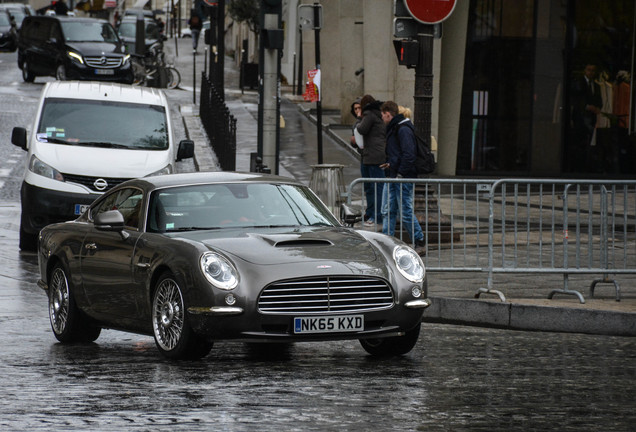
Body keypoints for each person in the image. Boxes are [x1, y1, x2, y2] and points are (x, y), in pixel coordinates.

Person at [379, 100, 425, 249]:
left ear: (387, 114)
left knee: (403, 211)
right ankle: (388, 240)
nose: (382, 118)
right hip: (396, 174)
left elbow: (409, 154)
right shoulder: (397, 128)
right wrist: (392, 164)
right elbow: (402, 154)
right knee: (389, 210)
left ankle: (418, 239)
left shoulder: (402, 129)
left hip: (401, 176)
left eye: (382, 115)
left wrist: (400, 172)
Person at [354, 94, 386, 226]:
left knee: (373, 188)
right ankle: (373, 213)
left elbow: (361, 129)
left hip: (372, 156)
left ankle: (376, 216)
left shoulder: (369, 114)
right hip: (375, 155)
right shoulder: (378, 114)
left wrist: (359, 118)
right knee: (375, 187)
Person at [570, 63, 602, 171]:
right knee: (580, 143)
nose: (591, 72)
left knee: (590, 143)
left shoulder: (596, 86)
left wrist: (597, 108)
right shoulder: (579, 83)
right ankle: (579, 166)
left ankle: (587, 166)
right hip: (581, 118)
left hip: (591, 118)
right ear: (585, 70)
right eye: (589, 70)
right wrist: (587, 106)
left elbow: (599, 101)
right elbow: (576, 100)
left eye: (593, 70)